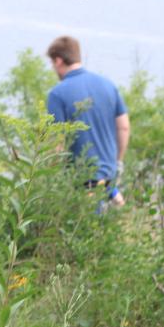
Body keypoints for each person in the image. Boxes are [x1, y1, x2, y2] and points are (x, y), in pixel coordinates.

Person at [46, 35, 131, 206]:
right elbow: (123, 127)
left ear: (58, 61)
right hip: (109, 180)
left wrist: (50, 180)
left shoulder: (57, 94)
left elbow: (57, 144)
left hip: (80, 183)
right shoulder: (108, 85)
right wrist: (118, 162)